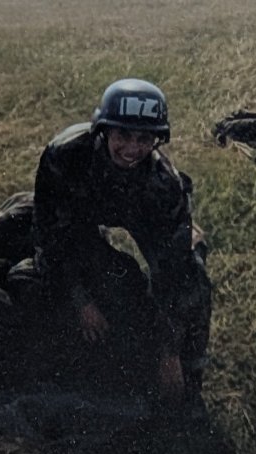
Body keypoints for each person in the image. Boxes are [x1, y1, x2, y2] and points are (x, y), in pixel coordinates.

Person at [29, 78, 211, 405]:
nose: (131, 149)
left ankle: (188, 377)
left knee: (193, 274)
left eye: (144, 139)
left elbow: (174, 273)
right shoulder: (66, 155)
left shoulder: (163, 186)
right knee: (14, 239)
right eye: (122, 135)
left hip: (142, 213)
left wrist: (170, 353)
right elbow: (50, 234)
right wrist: (81, 300)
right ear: (104, 131)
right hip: (79, 216)